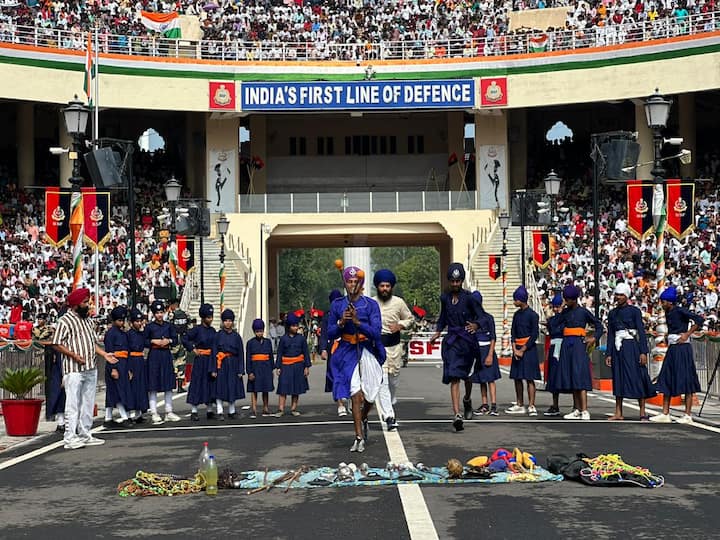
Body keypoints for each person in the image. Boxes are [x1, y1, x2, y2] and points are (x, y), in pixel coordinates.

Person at [51, 288, 117, 450]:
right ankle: (70, 437)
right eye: (85, 302)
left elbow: (91, 343)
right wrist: (73, 355)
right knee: (73, 404)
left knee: (88, 403)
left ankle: (85, 433)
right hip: (73, 369)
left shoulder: (88, 321)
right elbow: (56, 343)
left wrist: (104, 354)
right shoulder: (65, 321)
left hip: (90, 367)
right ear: (76, 304)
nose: (88, 305)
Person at [328, 265, 385, 452]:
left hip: (367, 349)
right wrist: (342, 322)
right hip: (347, 353)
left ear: (361, 283)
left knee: (371, 393)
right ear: (345, 283)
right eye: (349, 281)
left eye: (356, 281)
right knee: (355, 393)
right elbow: (330, 332)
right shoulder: (337, 305)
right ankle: (358, 436)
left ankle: (364, 415)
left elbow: (376, 332)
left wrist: (358, 322)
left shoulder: (370, 305)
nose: (352, 285)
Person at [429, 262, 482, 432]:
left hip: (467, 342)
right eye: (452, 281)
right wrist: (437, 332)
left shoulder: (470, 298)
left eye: (457, 281)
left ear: (462, 281)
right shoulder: (444, 298)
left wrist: (476, 325)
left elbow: (483, 317)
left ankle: (466, 399)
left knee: (466, 376)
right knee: (454, 376)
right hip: (452, 341)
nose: (455, 284)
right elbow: (443, 317)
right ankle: (456, 414)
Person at [650, 286, 704, 424]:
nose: (662, 304)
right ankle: (665, 413)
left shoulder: (680, 311)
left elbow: (699, 320)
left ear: (670, 302)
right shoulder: (668, 313)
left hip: (682, 348)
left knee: (686, 379)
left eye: (663, 302)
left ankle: (687, 414)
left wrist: (687, 334)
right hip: (673, 347)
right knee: (667, 377)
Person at [605, 282, 656, 421]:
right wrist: (608, 353)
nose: (618, 297)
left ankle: (642, 412)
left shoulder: (634, 311)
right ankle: (618, 412)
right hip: (618, 348)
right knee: (618, 378)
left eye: (621, 295)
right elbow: (610, 334)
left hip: (632, 346)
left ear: (626, 296)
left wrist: (643, 351)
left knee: (638, 376)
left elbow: (641, 331)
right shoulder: (612, 313)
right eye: (617, 294)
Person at [372, 269, 414, 431]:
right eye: (382, 286)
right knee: (381, 381)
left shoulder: (399, 303)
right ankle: (389, 415)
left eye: (387, 286)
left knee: (393, 380)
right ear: (377, 286)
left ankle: (391, 399)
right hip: (378, 347)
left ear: (392, 287)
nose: (384, 289)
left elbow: (410, 319)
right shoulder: (371, 302)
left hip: (395, 348)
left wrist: (400, 325)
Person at [558, 284, 604, 420]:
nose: (566, 302)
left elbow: (599, 325)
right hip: (567, 345)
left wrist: (594, 338)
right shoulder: (564, 312)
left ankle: (584, 410)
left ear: (574, 299)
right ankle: (576, 408)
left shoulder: (583, 312)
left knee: (579, 375)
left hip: (578, 344)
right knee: (572, 375)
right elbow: (555, 324)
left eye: (568, 299)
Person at [505, 286, 541, 416]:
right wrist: (515, 349)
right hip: (517, 349)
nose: (514, 302)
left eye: (515, 299)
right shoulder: (516, 315)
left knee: (530, 378)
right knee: (517, 378)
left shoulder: (533, 315)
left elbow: (534, 334)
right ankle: (519, 403)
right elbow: (513, 333)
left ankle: (531, 405)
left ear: (521, 299)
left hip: (528, 349)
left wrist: (523, 349)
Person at [145, 300, 181, 425]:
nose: (159, 315)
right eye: (157, 313)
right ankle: (154, 412)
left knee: (168, 383)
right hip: (154, 355)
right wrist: (153, 341)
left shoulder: (168, 326)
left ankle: (169, 411)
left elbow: (176, 339)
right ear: (153, 314)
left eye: (161, 312)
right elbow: (144, 341)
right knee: (153, 384)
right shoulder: (149, 327)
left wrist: (169, 341)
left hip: (166, 354)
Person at [183, 303, 218, 421]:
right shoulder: (197, 330)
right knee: (197, 383)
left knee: (210, 383)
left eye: (211, 316)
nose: (211, 319)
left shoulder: (213, 331)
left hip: (210, 359)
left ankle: (209, 410)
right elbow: (185, 338)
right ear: (203, 317)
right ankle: (194, 410)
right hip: (200, 359)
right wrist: (193, 349)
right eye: (208, 317)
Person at [469, 291, 501, 416]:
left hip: (487, 350)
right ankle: (484, 404)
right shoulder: (471, 320)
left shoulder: (488, 318)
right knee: (482, 379)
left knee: (490, 379)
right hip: (478, 352)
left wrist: (490, 354)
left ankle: (493, 405)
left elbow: (493, 337)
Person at [274, 312, 311, 417]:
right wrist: (278, 367)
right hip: (286, 365)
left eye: (296, 325)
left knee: (296, 388)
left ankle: (293, 408)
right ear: (289, 326)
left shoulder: (301, 339)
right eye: (293, 325)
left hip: (298, 365)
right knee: (283, 388)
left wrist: (306, 367)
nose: (295, 327)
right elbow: (280, 353)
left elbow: (306, 353)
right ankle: (280, 409)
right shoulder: (283, 339)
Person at [102, 306, 134, 428]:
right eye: (119, 320)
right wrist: (113, 368)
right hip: (114, 362)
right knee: (117, 390)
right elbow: (109, 351)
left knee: (114, 391)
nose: (122, 322)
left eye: (123, 320)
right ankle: (124, 416)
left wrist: (129, 368)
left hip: (124, 363)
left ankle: (108, 417)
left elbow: (127, 351)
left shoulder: (123, 333)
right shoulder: (110, 333)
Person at [213, 309, 245, 420]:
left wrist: (241, 369)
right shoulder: (218, 336)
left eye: (230, 320)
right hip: (221, 364)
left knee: (232, 387)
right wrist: (213, 369)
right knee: (220, 387)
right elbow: (214, 352)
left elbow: (241, 353)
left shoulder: (236, 336)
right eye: (225, 320)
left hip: (233, 364)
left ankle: (232, 411)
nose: (228, 323)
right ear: (222, 322)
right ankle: (219, 411)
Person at [35, 312, 65, 432]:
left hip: (67, 369)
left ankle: (67, 421)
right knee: (58, 395)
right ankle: (60, 421)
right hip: (57, 369)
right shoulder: (54, 340)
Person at [320, 289, 346, 416]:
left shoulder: (348, 313)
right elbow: (324, 334)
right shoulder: (327, 316)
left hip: (347, 346)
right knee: (335, 376)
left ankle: (353, 401)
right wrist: (323, 349)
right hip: (333, 349)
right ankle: (340, 404)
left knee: (350, 375)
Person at [246, 318, 274, 418]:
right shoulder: (250, 343)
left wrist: (272, 369)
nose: (259, 333)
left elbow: (270, 356)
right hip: (255, 368)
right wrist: (249, 372)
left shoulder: (268, 342)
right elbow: (248, 358)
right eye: (257, 331)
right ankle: (254, 408)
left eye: (261, 331)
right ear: (254, 331)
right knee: (254, 389)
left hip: (266, 368)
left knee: (265, 389)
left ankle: (265, 408)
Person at [543, 294, 565, 416]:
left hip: (563, 347)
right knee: (553, 376)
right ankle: (555, 404)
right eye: (554, 307)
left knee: (566, 375)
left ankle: (576, 405)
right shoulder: (551, 320)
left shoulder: (566, 318)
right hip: (553, 347)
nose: (556, 309)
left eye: (558, 306)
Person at [127, 308, 148, 423]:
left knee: (141, 387)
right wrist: (128, 369)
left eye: (140, 321)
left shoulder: (141, 334)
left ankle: (139, 413)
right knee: (132, 387)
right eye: (137, 321)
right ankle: (129, 414)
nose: (139, 323)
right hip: (132, 361)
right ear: (131, 322)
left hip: (140, 360)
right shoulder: (128, 335)